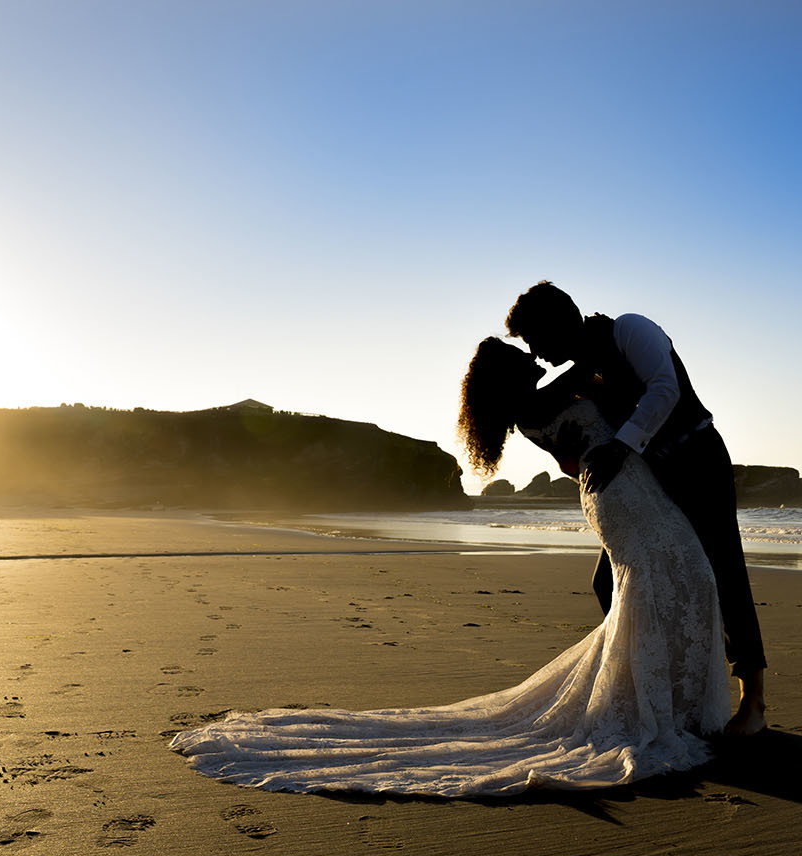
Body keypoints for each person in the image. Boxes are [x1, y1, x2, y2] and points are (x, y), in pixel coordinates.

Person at [169, 338, 729, 796]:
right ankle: (666, 708)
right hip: (624, 494)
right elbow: (595, 366)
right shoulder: (541, 399)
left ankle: (663, 702)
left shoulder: (526, 412)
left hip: (612, 495)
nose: (536, 359)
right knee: (682, 580)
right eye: (525, 358)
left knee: (665, 585)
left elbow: (573, 435)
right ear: (512, 377)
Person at [504, 281, 768, 736]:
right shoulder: (578, 372)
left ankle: (754, 701)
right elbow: (552, 421)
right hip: (650, 479)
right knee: (607, 581)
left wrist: (622, 447)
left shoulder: (630, 330)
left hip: (698, 458)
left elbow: (663, 390)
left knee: (723, 570)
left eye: (534, 340)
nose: (537, 353)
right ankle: (657, 690)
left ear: (558, 321)